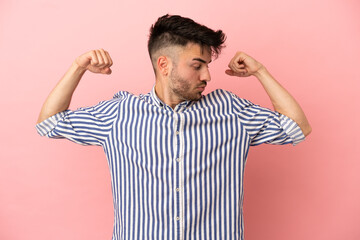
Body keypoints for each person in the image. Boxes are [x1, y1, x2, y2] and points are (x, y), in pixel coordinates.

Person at [36, 14, 311, 240]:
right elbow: (49, 123)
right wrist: (78, 67)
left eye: (207, 65)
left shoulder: (230, 109)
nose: (208, 75)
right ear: (164, 64)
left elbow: (298, 127)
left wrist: (260, 71)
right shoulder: (120, 113)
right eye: (197, 65)